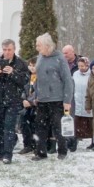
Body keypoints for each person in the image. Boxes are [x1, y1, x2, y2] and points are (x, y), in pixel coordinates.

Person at [0, 39, 29, 164]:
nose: (7, 52)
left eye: (9, 50)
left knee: (9, 127)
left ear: (14, 49)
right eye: (5, 50)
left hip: (12, 101)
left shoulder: (20, 63)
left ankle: (8, 155)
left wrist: (13, 73)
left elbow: (25, 80)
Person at [31, 33, 73, 161]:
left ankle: (62, 151)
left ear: (47, 46)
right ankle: (40, 152)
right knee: (40, 127)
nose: (37, 48)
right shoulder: (40, 57)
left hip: (56, 99)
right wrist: (35, 95)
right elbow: (38, 78)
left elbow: (67, 80)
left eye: (39, 45)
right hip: (42, 99)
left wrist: (67, 100)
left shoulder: (59, 58)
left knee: (58, 127)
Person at [71, 56, 93, 147]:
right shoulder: (75, 74)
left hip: (87, 100)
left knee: (90, 123)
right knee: (77, 123)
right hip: (77, 101)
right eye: (79, 66)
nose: (81, 68)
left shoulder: (92, 74)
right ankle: (74, 141)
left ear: (87, 65)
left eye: (83, 66)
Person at [19, 58, 38, 155]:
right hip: (26, 106)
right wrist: (24, 99)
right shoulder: (28, 76)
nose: (32, 68)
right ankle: (27, 145)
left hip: (37, 105)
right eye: (30, 65)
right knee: (24, 125)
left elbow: (39, 91)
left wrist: (31, 102)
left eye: (34, 65)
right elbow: (24, 89)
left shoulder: (42, 77)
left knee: (36, 126)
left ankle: (37, 146)